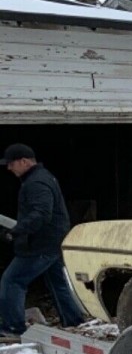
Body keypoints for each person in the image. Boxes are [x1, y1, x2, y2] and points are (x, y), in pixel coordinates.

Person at [0, 143, 87, 341]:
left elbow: (41, 213)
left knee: (12, 280)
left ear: (23, 161)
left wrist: (16, 231)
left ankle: (12, 328)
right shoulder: (42, 177)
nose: (9, 168)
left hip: (40, 245)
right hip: (52, 242)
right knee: (58, 283)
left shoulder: (36, 183)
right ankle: (74, 321)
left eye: (11, 164)